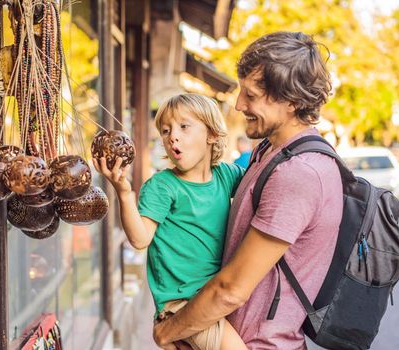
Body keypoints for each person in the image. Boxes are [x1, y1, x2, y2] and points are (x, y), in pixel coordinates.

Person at [153, 31, 343, 350]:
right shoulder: (269, 151)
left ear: (292, 101)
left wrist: (167, 331)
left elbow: (231, 289)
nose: (240, 104)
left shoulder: (298, 173)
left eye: (251, 95)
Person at [93, 93, 247, 350]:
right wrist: (123, 192)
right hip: (182, 304)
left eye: (184, 127)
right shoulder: (163, 186)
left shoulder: (226, 175)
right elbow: (140, 239)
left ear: (211, 135)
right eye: (166, 131)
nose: (172, 136)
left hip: (213, 297)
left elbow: (261, 183)